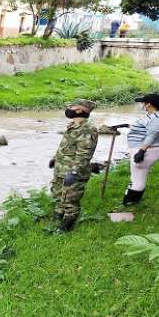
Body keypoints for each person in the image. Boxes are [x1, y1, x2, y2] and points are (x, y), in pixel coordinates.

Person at [113, 93, 159, 205]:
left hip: (147, 151)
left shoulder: (157, 118)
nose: (142, 105)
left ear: (148, 104)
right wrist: (125, 125)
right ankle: (133, 201)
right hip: (147, 150)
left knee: (137, 179)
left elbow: (151, 135)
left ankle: (130, 203)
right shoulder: (156, 115)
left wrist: (141, 151)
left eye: (143, 103)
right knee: (137, 177)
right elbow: (144, 128)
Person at [48, 99, 99, 232]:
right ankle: (58, 216)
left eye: (71, 107)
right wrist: (55, 159)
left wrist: (74, 172)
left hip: (73, 172)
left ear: (79, 110)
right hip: (61, 169)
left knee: (70, 200)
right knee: (59, 195)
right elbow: (66, 146)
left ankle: (66, 227)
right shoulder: (73, 125)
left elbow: (84, 154)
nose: (68, 109)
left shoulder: (88, 129)